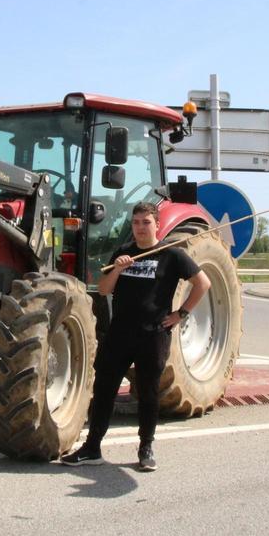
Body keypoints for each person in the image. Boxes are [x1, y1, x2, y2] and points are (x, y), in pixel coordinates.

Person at [60, 202, 211, 472]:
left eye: (146, 222)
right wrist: (117, 268)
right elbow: (104, 290)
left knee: (148, 392)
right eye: (136, 223)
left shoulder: (171, 255)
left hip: (152, 334)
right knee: (104, 389)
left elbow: (203, 283)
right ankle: (92, 447)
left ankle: (146, 448)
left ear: (156, 224)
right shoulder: (123, 253)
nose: (140, 228)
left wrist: (181, 314)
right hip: (120, 333)